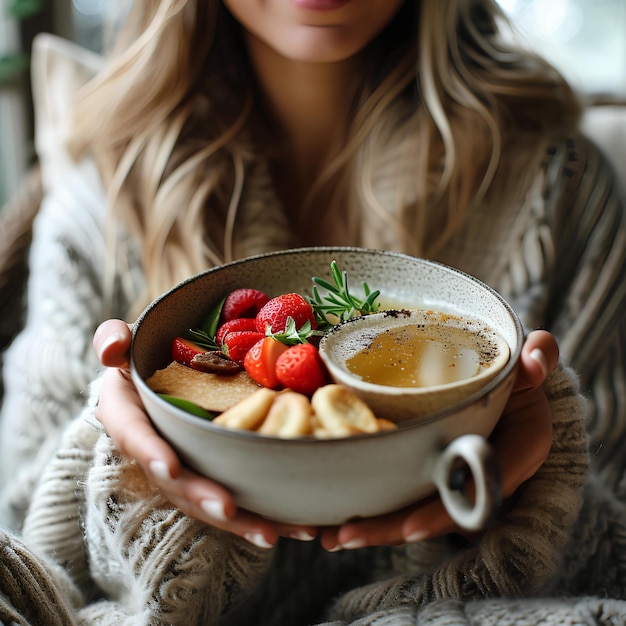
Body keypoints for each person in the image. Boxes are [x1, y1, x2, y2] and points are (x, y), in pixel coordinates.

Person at [0, 1, 624, 624]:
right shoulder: (100, 199)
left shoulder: (563, 188)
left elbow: (612, 558)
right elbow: (30, 554)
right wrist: (122, 449)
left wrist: (543, 483)